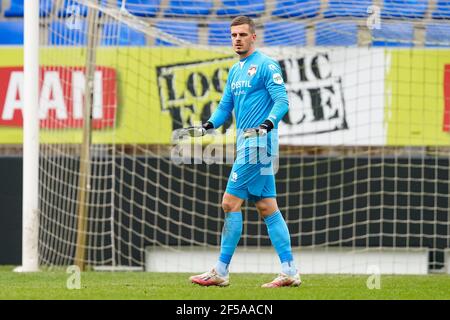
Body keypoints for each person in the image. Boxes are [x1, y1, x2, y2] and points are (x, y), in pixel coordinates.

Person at [186, 16, 300, 288]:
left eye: (242, 34)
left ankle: (221, 271)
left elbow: (282, 100)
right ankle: (290, 271)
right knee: (267, 207)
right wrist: (208, 125)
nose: (237, 39)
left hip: (259, 144)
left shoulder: (265, 65)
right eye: (233, 35)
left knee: (229, 202)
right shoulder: (235, 71)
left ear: (253, 37)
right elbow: (226, 106)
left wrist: (267, 124)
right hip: (247, 145)